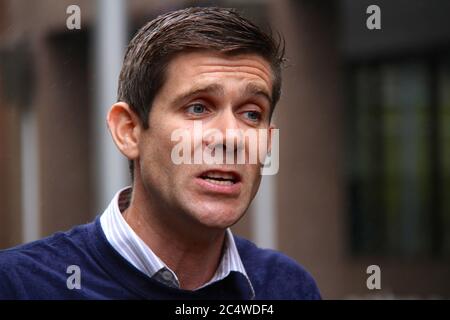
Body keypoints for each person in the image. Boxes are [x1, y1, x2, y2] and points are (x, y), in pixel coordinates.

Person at [0, 7, 321, 299]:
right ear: (128, 131)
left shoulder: (286, 287)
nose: (231, 137)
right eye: (198, 108)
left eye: (252, 114)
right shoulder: (20, 285)